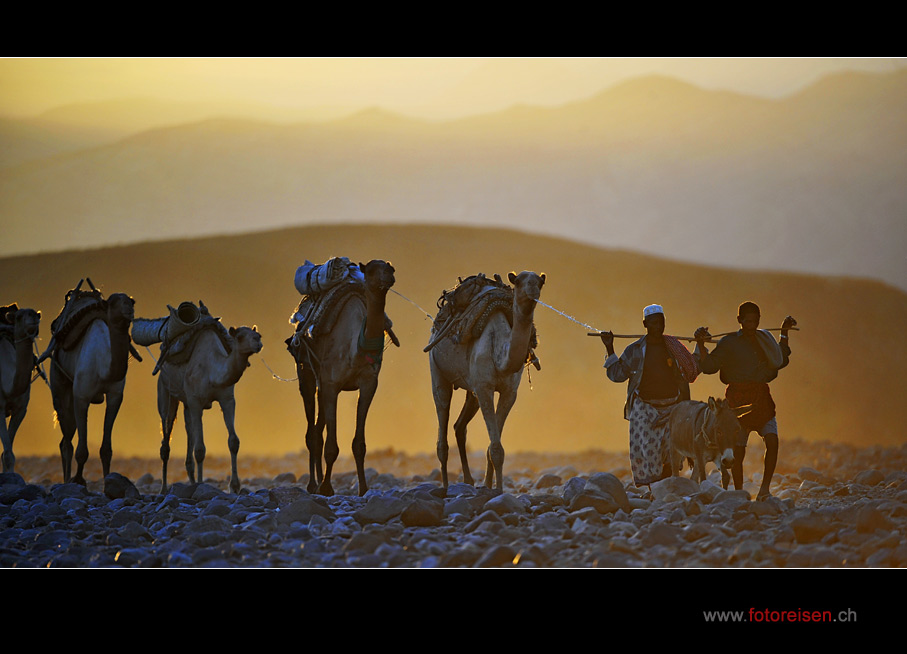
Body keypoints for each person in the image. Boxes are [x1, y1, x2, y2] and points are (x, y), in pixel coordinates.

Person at [694, 302, 796, 500]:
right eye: (747, 321)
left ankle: (764, 489)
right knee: (738, 449)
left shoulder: (764, 339)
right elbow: (709, 367)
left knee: (772, 441)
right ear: (739, 320)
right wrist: (701, 344)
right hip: (736, 401)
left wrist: (784, 332)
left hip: (761, 398)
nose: (751, 325)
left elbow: (781, 358)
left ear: (759, 321)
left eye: (755, 321)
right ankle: (739, 492)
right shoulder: (728, 342)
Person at [601, 304, 700, 488]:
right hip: (644, 407)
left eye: (661, 322)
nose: (658, 326)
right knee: (647, 451)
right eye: (653, 323)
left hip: (672, 407)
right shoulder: (635, 350)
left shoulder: (674, 348)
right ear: (645, 324)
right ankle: (653, 489)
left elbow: (692, 369)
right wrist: (609, 348)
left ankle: (665, 486)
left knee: (671, 450)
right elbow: (617, 375)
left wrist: (700, 343)